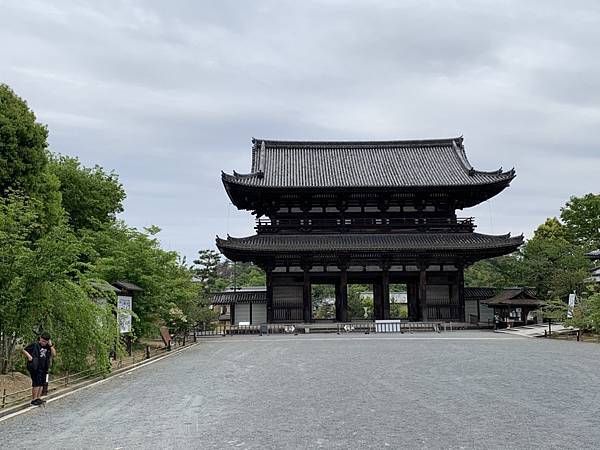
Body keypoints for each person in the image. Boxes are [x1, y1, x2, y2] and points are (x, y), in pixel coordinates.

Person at [22, 332, 56, 406]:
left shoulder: (48, 346)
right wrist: (29, 357)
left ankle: (38, 398)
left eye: (45, 341)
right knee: (36, 382)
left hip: (44, 367)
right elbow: (24, 350)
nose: (43, 343)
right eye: (42, 340)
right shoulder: (35, 345)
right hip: (35, 366)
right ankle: (34, 399)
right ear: (40, 338)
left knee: (41, 383)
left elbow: (54, 354)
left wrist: (50, 345)